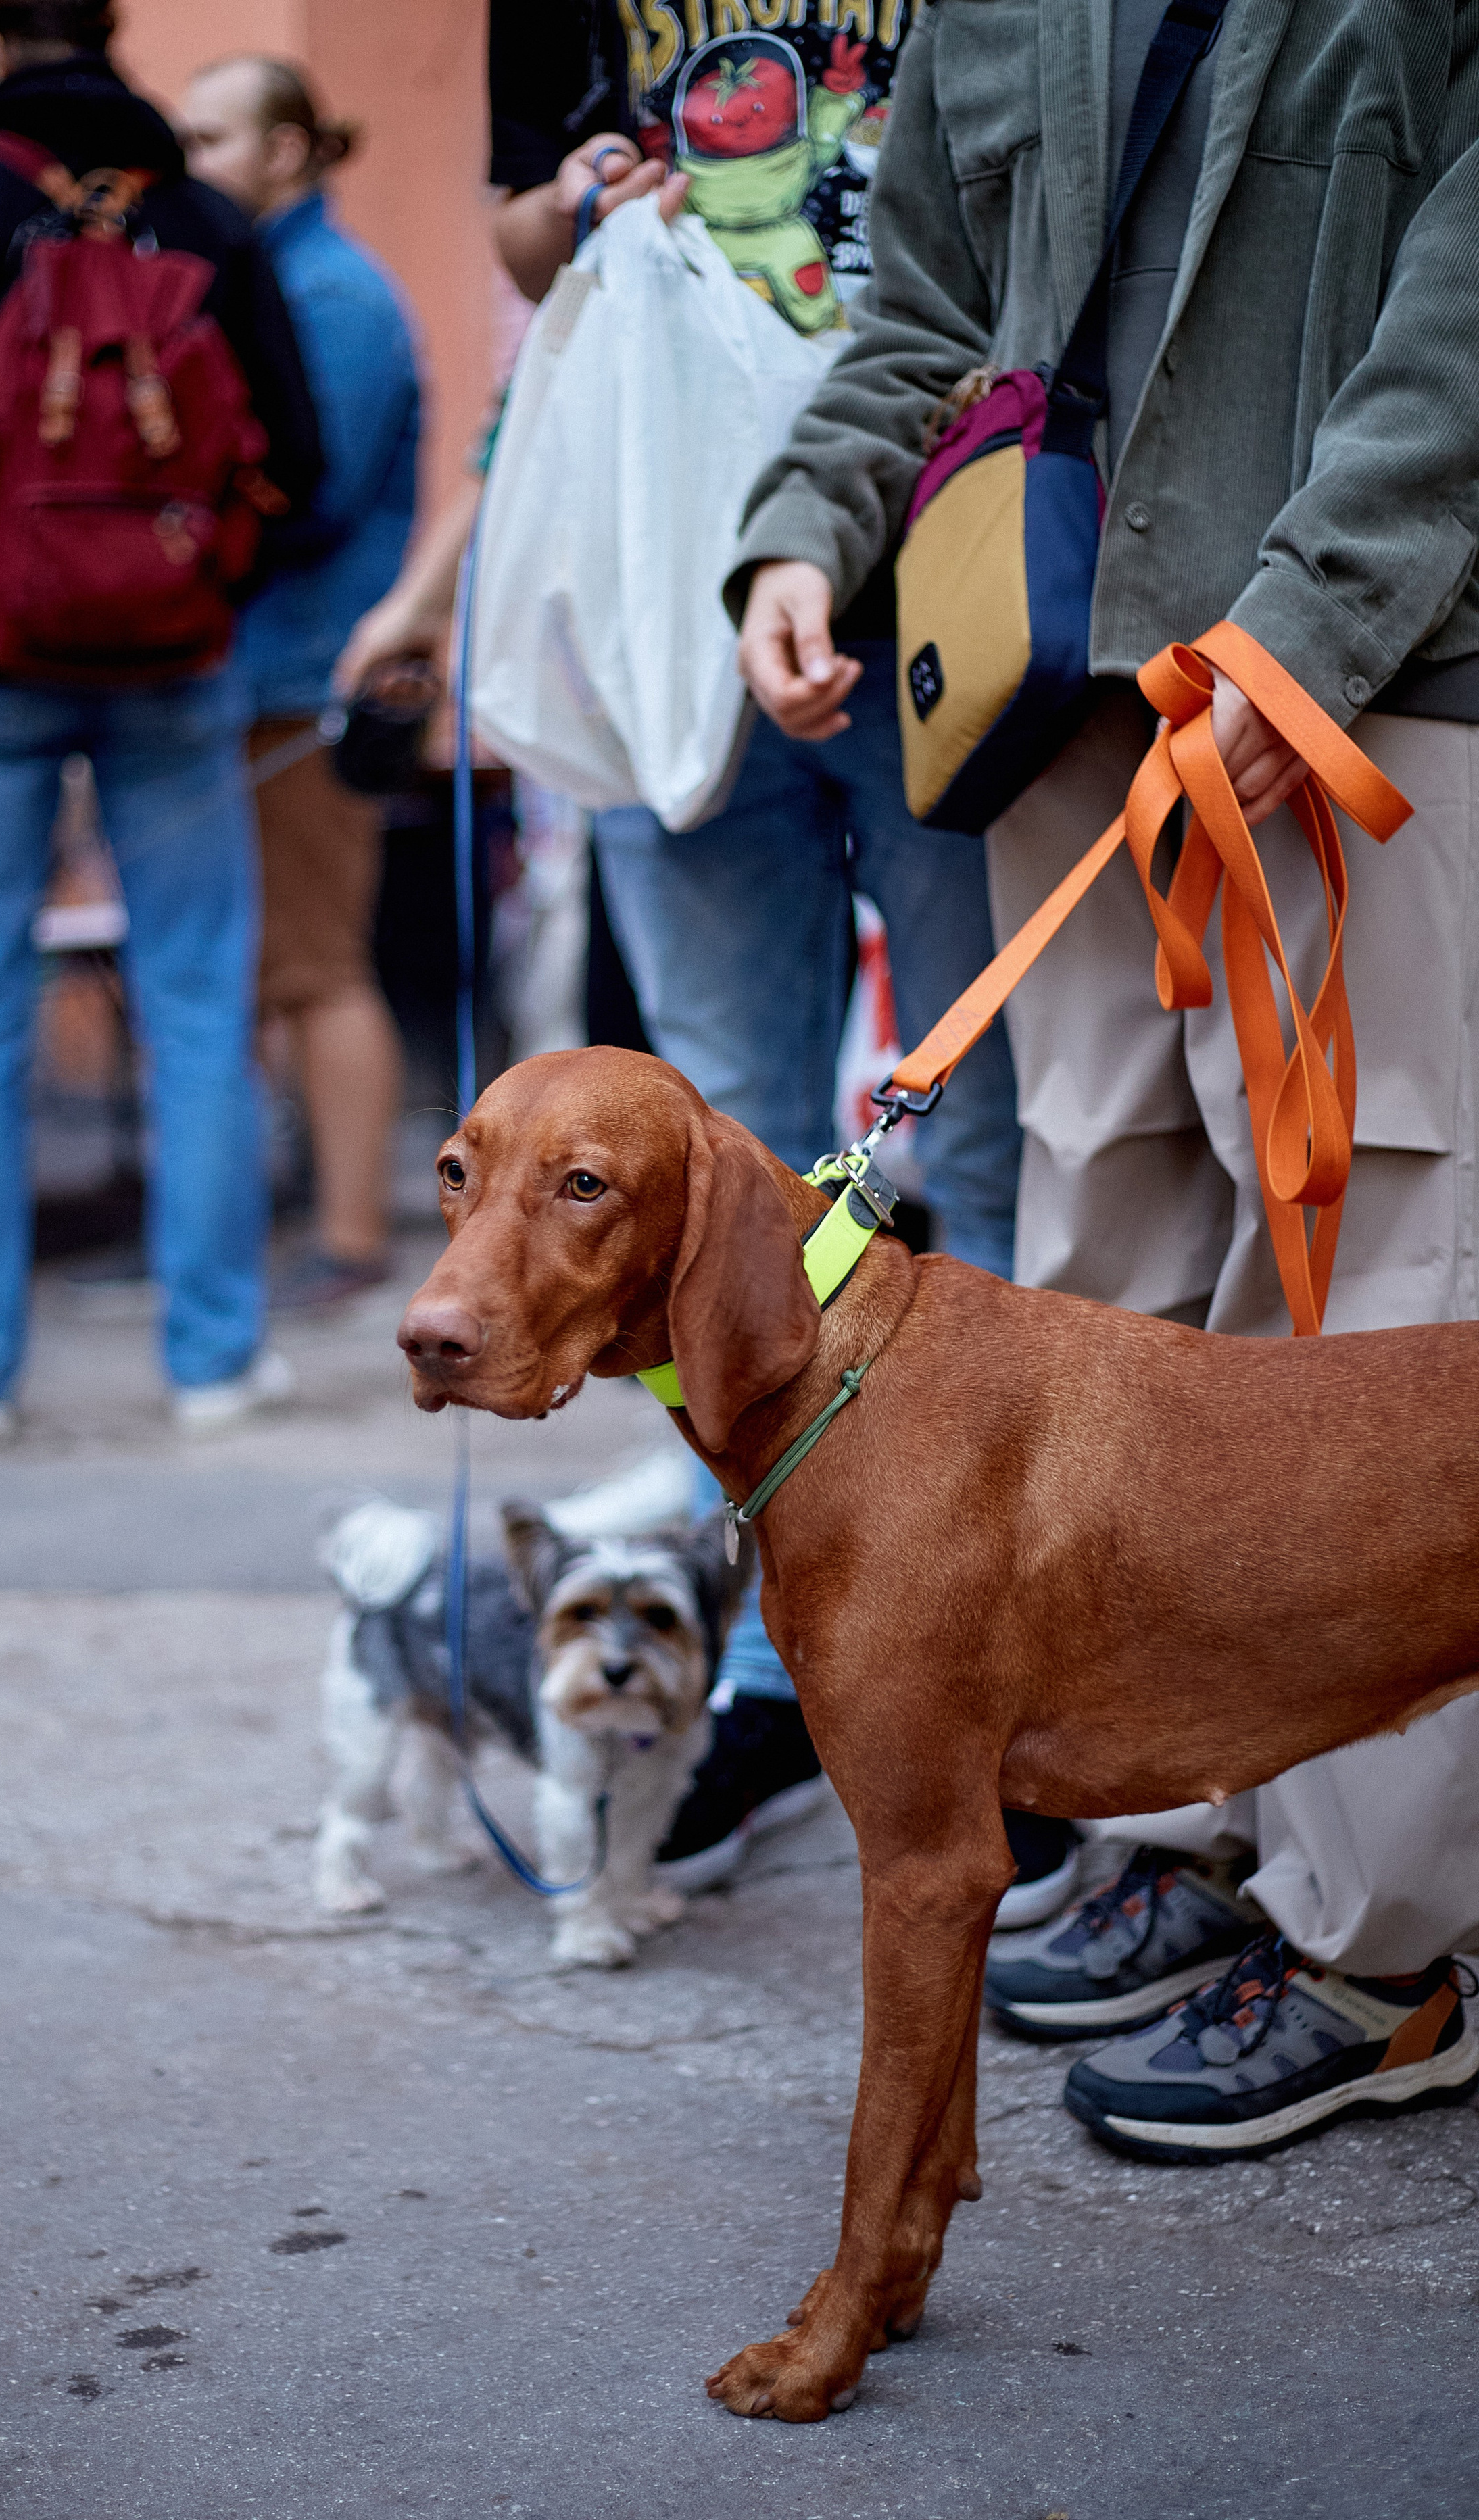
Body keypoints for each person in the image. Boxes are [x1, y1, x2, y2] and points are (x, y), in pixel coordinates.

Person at [732, 0, 1479, 2157]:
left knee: (1363, 1277)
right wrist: (811, 525)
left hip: (1367, 678)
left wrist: (1318, 620)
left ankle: (1382, 1940)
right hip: (1053, 683)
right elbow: (930, 304)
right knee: (1107, 1251)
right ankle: (1184, 1817)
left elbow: (1459, 314)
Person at [485, 4, 1071, 1919]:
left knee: (977, 1146)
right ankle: (759, 1665)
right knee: (709, 1193)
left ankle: (1005, 1659)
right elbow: (513, 224)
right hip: (673, 598)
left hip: (958, 576)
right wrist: (583, 197)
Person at [0, 0, 323, 1436]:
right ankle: (213, 1360)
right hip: (176, 663)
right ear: (109, 33)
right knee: (198, 1004)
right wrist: (194, 580)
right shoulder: (207, 220)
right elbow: (301, 455)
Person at [183, 54, 421, 1310]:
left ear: (287, 150)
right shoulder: (276, 279)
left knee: (319, 963)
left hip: (312, 677)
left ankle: (348, 1242)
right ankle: (299, 1227)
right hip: (261, 675)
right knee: (272, 966)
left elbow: (312, 496)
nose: (191, 163)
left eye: (211, 139)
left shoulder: (332, 294)